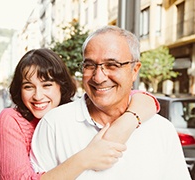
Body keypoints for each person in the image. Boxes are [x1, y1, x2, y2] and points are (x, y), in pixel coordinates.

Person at [30, 26, 191, 180]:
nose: (98, 77)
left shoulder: (161, 130)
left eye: (112, 65)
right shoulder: (54, 124)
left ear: (135, 70)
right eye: (89, 65)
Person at [0, 48, 159, 179]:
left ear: (61, 86)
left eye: (47, 85)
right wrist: (86, 158)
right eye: (28, 87)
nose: (38, 96)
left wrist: (127, 122)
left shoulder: (67, 116)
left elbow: (141, 98)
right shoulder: (11, 120)